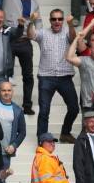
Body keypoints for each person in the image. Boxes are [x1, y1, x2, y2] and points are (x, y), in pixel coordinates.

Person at [28, 10, 79, 143]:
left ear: (63, 20)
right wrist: (31, 22)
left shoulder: (68, 32)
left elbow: (74, 38)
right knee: (44, 110)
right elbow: (30, 35)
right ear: (50, 20)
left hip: (65, 77)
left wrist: (71, 24)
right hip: (46, 77)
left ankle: (65, 133)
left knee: (74, 108)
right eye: (54, 19)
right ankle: (42, 139)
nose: (57, 21)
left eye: (60, 19)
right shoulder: (43, 33)